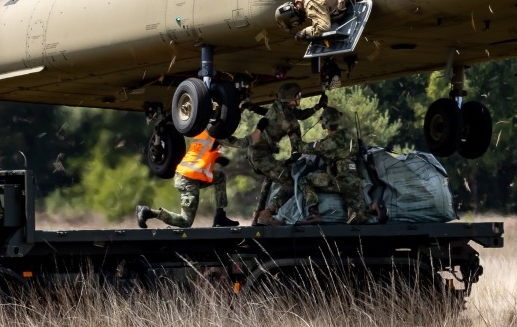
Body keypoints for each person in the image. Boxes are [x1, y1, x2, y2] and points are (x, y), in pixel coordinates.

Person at [245, 81, 326, 225]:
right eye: (298, 96)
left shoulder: (279, 106)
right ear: (291, 99)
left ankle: (257, 217)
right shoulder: (288, 120)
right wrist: (318, 147)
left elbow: (299, 115)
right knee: (288, 181)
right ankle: (268, 213)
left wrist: (317, 107)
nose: (300, 98)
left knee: (270, 178)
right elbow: (299, 146)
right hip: (261, 155)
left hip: (255, 152)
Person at [137, 129, 237, 228]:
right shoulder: (217, 134)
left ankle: (220, 216)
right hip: (188, 181)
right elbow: (243, 143)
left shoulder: (203, 133)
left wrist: (217, 159)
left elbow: (201, 155)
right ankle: (149, 212)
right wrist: (252, 136)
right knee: (185, 222)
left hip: (188, 176)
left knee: (220, 177)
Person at [297, 106, 367, 224]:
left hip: (339, 181)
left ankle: (313, 214)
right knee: (360, 215)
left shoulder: (330, 141)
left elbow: (304, 148)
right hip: (355, 181)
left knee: (304, 180)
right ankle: (376, 207)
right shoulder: (351, 137)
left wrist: (294, 138)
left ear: (324, 124)